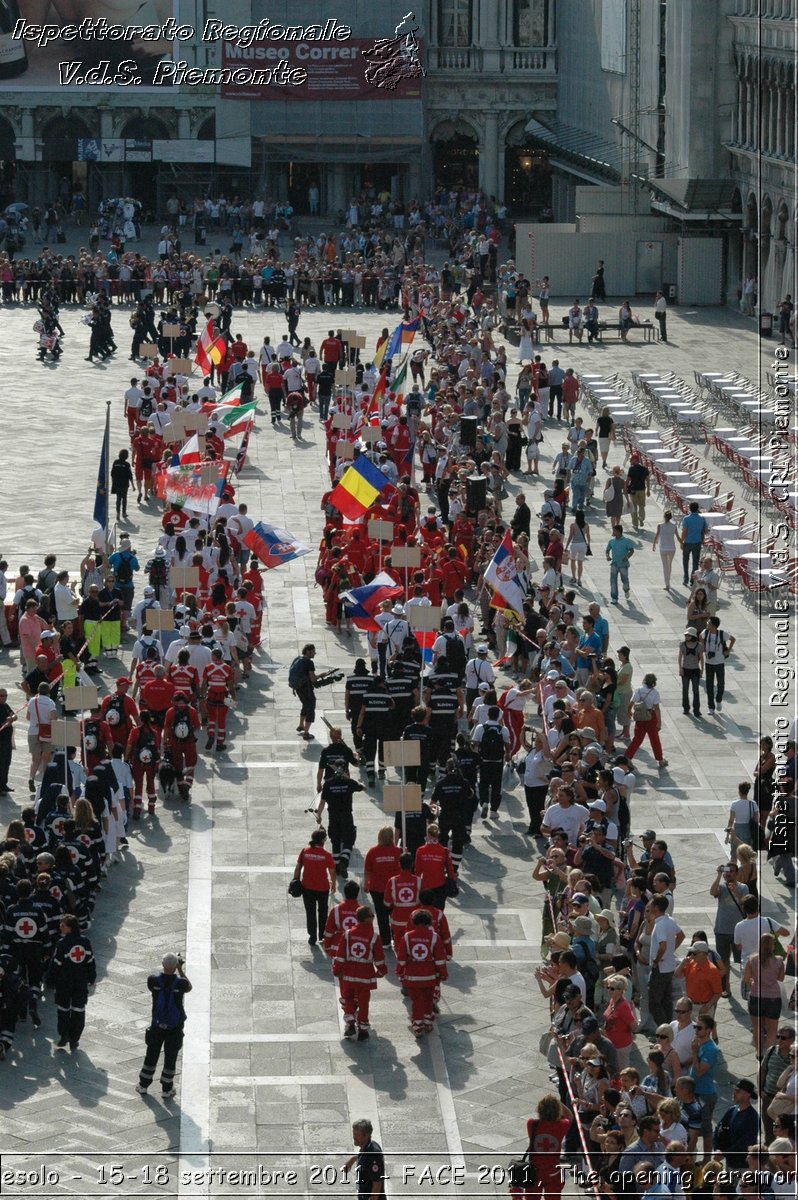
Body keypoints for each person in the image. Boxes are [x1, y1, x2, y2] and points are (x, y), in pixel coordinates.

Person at [136, 952, 192, 1100]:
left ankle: (143, 1085)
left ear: (162, 964)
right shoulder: (180, 984)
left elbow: (157, 979)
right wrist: (180, 969)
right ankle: (167, 1089)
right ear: (175, 967)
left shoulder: (153, 981)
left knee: (151, 1055)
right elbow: (189, 986)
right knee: (170, 1057)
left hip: (157, 1026)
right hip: (175, 1028)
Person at [331, 905, 387, 1041]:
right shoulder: (374, 937)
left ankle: (350, 1022)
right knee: (363, 1002)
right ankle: (363, 1029)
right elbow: (379, 958)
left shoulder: (348, 934)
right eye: (372, 915)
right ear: (368, 919)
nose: (373, 917)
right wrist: (381, 971)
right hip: (365, 976)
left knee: (348, 998)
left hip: (349, 974)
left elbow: (340, 955)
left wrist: (337, 970)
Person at [45, 913, 96, 1053]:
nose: (60, 927)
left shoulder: (62, 944)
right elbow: (90, 961)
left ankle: (64, 1034)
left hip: (64, 983)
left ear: (70, 928)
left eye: (63, 925)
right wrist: (92, 977)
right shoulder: (85, 942)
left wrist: (49, 979)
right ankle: (75, 1039)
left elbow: (56, 963)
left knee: (63, 1009)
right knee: (79, 1010)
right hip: (80, 982)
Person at [395, 908, 449, 1038]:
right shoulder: (435, 937)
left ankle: (417, 1025)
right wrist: (443, 974)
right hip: (429, 976)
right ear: (429, 922)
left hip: (412, 977)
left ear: (413, 921)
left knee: (416, 1001)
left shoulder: (407, 937)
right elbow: (440, 959)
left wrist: (399, 972)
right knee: (428, 999)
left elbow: (401, 958)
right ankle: (427, 1022)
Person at [743, 933, 786, 1056]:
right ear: (772, 946)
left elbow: (746, 979)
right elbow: (781, 978)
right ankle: (768, 1055)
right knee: (772, 1029)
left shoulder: (752, 959)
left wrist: (752, 982)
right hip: (773, 998)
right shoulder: (779, 961)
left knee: (757, 1027)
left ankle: (759, 1052)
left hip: (756, 996)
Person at [293, 828, 337, 946]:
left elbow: (298, 868)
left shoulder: (305, 851)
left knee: (310, 912)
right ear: (323, 840)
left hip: (307, 887)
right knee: (323, 912)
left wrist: (295, 880)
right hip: (322, 888)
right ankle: (322, 935)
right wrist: (334, 883)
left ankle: (312, 936)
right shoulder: (327, 855)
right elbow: (332, 872)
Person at [712, 1079, 760, 1175]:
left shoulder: (752, 1118)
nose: (734, 1093)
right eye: (734, 1090)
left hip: (743, 1166)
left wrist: (724, 1154)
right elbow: (718, 1129)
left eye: (738, 1091)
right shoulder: (732, 1110)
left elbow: (745, 1143)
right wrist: (717, 1148)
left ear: (747, 1095)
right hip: (730, 1162)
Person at [343, 1119, 385, 1199]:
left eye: (357, 1135)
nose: (354, 1137)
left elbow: (377, 1184)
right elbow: (363, 1155)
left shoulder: (374, 1155)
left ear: (366, 1136)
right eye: (353, 1133)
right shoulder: (367, 1146)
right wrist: (352, 1160)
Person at [702, 616, 734, 715]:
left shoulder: (721, 634)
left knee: (721, 684)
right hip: (709, 663)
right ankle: (711, 707)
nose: (707, 625)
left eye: (709, 623)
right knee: (709, 685)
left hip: (719, 662)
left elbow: (732, 639)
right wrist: (703, 647)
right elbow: (700, 636)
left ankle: (718, 699)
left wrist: (728, 651)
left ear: (714, 626)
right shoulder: (705, 632)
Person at [678, 503, 708, 588]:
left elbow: (684, 531)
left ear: (690, 509)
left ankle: (685, 578)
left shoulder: (686, 519)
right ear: (697, 508)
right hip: (697, 542)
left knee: (685, 560)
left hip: (688, 542)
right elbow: (705, 531)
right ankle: (692, 579)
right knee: (695, 562)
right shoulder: (702, 518)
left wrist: (681, 541)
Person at [678, 627, 704, 718]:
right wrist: (680, 668)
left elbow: (702, 658)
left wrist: (702, 670)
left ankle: (696, 709)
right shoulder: (682, 645)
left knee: (695, 690)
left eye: (688, 635)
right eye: (686, 635)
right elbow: (680, 657)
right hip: (685, 669)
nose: (686, 636)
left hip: (695, 670)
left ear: (692, 636)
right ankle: (686, 708)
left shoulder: (699, 646)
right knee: (685, 690)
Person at [605, 525, 635, 605]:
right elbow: (607, 550)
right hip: (614, 564)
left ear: (618, 532)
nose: (613, 532)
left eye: (614, 531)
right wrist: (607, 556)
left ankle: (626, 589)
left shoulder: (626, 541)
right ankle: (614, 597)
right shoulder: (611, 541)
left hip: (623, 565)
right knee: (613, 581)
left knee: (624, 580)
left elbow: (631, 550)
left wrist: (627, 557)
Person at [625, 453, 650, 531]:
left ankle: (635, 524)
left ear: (635, 460)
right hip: (642, 489)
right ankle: (641, 517)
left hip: (634, 490)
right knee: (642, 505)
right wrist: (648, 490)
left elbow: (628, 479)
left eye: (631, 460)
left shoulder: (631, 469)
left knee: (634, 507)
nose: (630, 461)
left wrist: (625, 487)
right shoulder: (644, 468)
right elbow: (647, 479)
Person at [652, 511, 677, 590]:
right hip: (672, 548)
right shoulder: (674, 526)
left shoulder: (660, 525)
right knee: (669, 565)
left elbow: (657, 535)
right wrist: (682, 543)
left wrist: (654, 544)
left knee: (665, 566)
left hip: (663, 548)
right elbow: (678, 536)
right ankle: (668, 581)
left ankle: (667, 584)